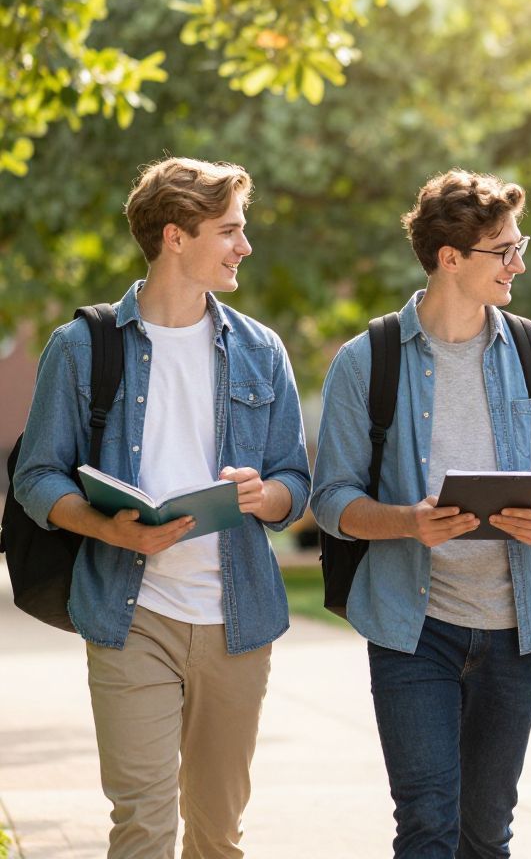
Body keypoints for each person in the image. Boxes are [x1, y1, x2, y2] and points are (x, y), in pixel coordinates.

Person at [13, 158, 311, 858]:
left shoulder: (260, 350)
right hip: (130, 613)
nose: (244, 246)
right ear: (175, 236)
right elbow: (36, 476)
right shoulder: (80, 348)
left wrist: (262, 493)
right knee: (142, 824)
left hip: (237, 620)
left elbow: (295, 481)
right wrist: (106, 527)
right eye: (229, 230)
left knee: (217, 833)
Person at [310, 170, 531, 859]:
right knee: (427, 824)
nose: (518, 264)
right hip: (413, 629)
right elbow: (332, 500)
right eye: (505, 250)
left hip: (513, 628)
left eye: (519, 246)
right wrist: (409, 522)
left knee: (486, 833)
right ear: (451, 258)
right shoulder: (366, 361)